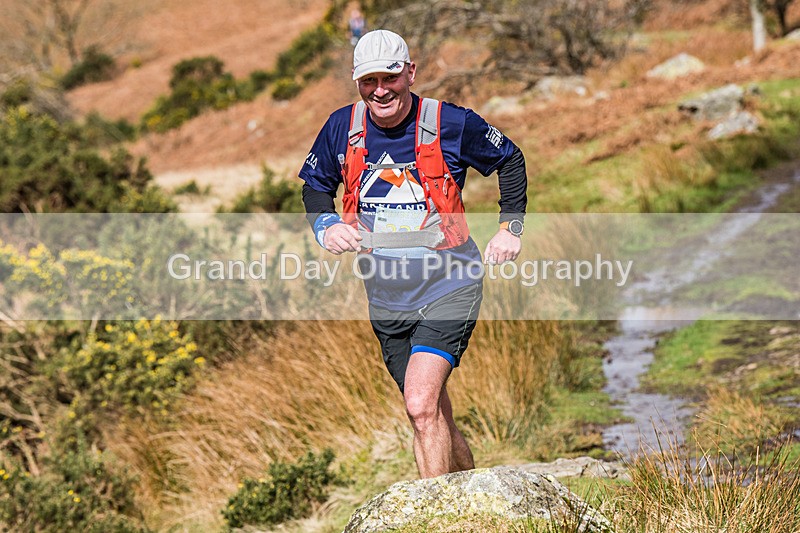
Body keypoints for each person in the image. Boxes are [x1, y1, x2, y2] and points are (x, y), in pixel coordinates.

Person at [299, 29, 527, 478]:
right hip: (386, 298)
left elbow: (510, 159)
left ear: (410, 73)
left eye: (390, 77)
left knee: (420, 404)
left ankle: (436, 519)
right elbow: (315, 188)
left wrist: (510, 229)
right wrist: (325, 227)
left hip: (450, 284)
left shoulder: (450, 123)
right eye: (369, 81)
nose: (380, 90)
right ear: (356, 81)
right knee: (432, 413)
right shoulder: (340, 128)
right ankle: (471, 493)